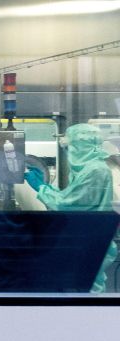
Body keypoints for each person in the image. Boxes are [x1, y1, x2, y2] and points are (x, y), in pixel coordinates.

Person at [25, 123, 119, 293]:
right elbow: (70, 198)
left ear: (83, 146)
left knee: (88, 292)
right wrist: (47, 187)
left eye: (72, 147)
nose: (69, 152)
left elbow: (67, 204)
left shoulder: (96, 170)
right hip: (86, 239)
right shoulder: (87, 169)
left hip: (90, 241)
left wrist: (41, 187)